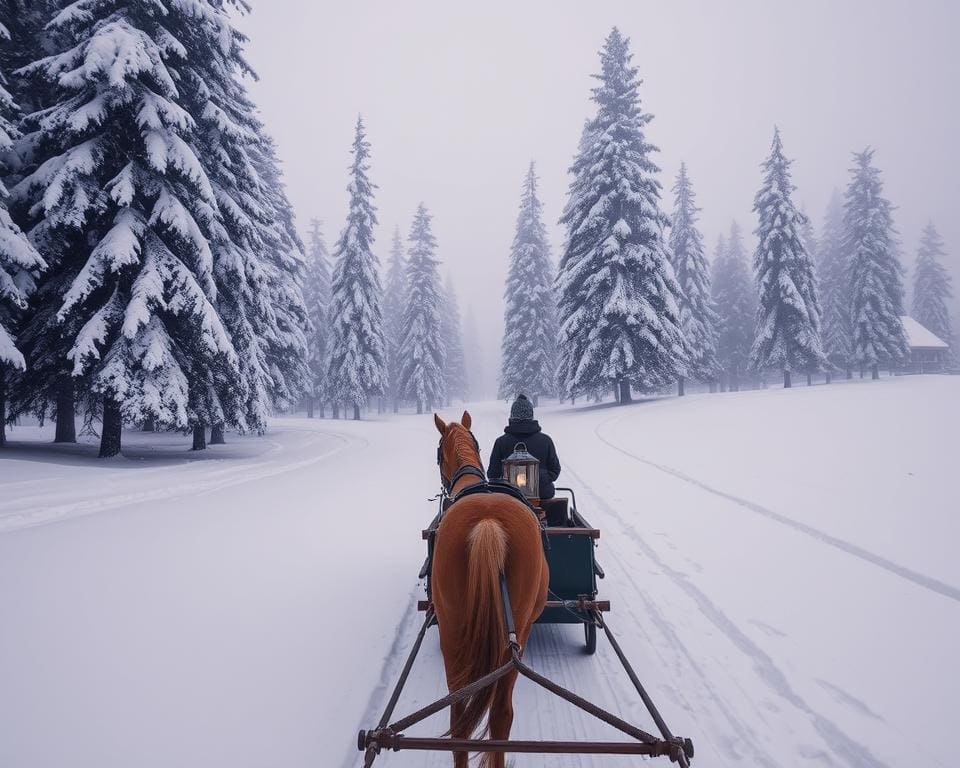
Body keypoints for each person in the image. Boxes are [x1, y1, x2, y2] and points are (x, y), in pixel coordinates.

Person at [488, 394, 563, 513]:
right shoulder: (545, 440)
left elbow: (492, 475)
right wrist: (541, 479)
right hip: (542, 496)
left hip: (508, 498)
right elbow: (555, 470)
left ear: (512, 416)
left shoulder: (501, 442)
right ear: (531, 416)